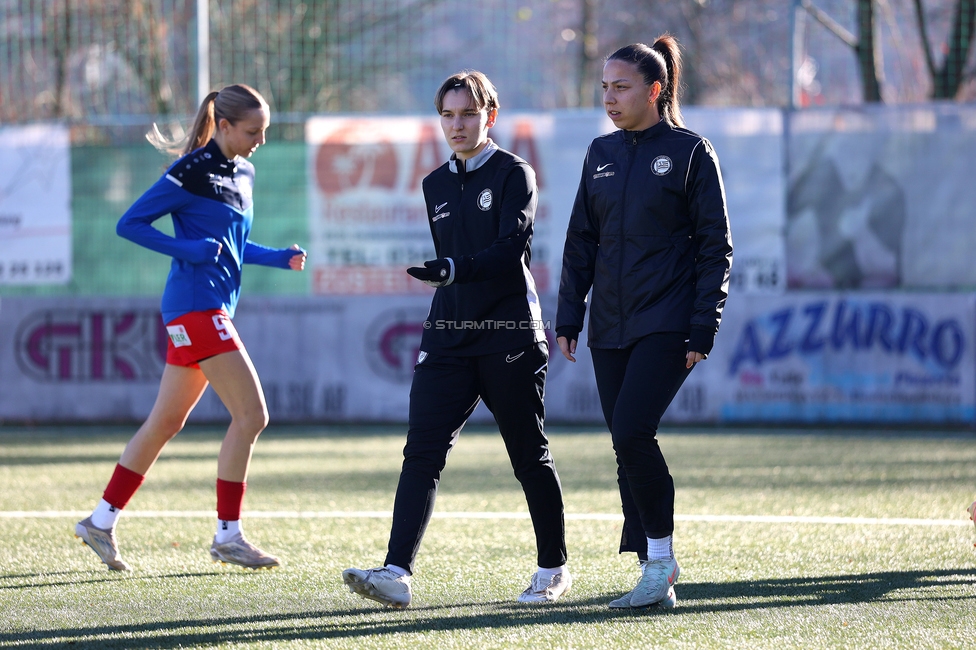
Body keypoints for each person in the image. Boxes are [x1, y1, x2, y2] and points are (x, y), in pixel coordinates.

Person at [342, 70, 570, 608]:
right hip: (446, 336)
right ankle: (396, 573)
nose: (457, 124)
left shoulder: (515, 173)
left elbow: (510, 250)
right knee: (421, 451)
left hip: (509, 333)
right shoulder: (434, 184)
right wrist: (450, 274)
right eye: (448, 114)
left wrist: (452, 270)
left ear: (490, 115)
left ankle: (553, 569)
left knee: (528, 455)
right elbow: (453, 260)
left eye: (468, 113)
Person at [74, 84, 307, 571]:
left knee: (166, 422)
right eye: (252, 131)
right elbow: (130, 224)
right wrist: (189, 250)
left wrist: (277, 257)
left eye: (264, 131)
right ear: (224, 126)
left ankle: (99, 521)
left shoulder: (245, 171)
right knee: (252, 416)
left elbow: (231, 244)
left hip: (205, 309)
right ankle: (228, 536)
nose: (260, 140)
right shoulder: (190, 170)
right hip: (197, 308)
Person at [556, 36, 733, 609]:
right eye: (605, 87)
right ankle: (649, 568)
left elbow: (715, 247)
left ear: (655, 90)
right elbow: (581, 240)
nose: (609, 98)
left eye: (621, 87)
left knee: (632, 430)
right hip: (609, 323)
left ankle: (661, 562)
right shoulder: (599, 153)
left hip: (668, 320)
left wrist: (703, 325)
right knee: (623, 442)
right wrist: (570, 314)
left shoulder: (690, 152)